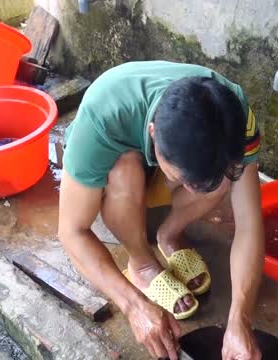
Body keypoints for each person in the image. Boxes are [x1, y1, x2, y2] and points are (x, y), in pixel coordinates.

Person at [58, 61, 265, 360]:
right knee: (124, 168)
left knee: (223, 180)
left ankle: (168, 235)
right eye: (186, 181)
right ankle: (141, 263)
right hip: (107, 189)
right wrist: (133, 306)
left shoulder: (233, 117)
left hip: (158, 180)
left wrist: (240, 320)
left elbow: (249, 223)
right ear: (153, 133)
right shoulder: (103, 114)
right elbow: (71, 232)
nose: (195, 193)